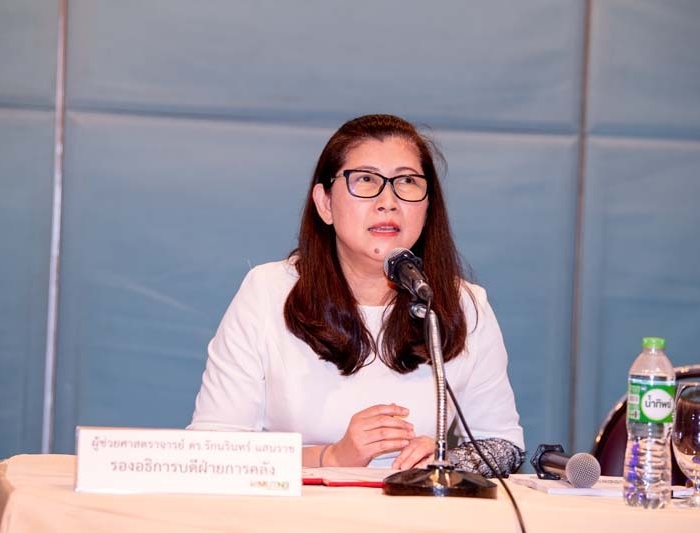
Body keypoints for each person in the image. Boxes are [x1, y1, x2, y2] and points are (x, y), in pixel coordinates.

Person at [187, 114, 525, 476]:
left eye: (407, 182)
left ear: (428, 207)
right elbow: (212, 448)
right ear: (325, 204)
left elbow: (505, 446)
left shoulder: (462, 304)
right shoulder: (268, 292)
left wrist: (447, 459)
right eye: (365, 180)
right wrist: (331, 458)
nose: (388, 201)